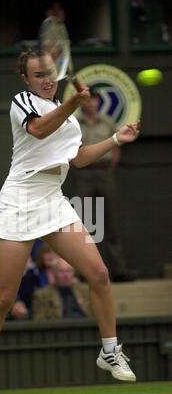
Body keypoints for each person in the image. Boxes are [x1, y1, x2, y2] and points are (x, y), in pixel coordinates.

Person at [0, 49, 140, 394]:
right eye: (38, 75)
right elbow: (38, 130)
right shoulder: (22, 102)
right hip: (19, 200)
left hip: (54, 199)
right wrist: (73, 104)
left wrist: (114, 141)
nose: (46, 80)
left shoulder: (69, 117)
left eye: (49, 73)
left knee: (98, 273)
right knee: (4, 297)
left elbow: (76, 159)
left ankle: (109, 350)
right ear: (26, 79)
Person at [74, 90, 137, 282]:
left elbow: (115, 148)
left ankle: (118, 269)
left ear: (98, 102)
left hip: (105, 172)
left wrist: (108, 164)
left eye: (94, 101)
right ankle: (84, 270)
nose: (91, 104)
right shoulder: (75, 123)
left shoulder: (107, 122)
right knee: (83, 222)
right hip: (83, 173)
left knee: (111, 220)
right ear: (83, 102)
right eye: (88, 100)